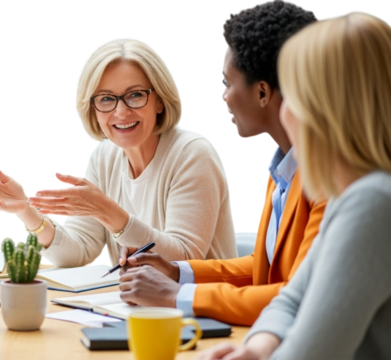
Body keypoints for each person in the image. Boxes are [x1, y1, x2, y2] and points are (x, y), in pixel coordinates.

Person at [117, 0, 325, 326]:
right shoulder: (282, 168)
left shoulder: (330, 179)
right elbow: (263, 267)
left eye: (228, 83)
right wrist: (176, 272)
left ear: (262, 93)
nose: (224, 96)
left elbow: (298, 297)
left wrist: (176, 296)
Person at [199, 9, 391, 360]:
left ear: (328, 108)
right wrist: (257, 349)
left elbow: (310, 353)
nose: (283, 111)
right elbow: (291, 299)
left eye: (294, 96)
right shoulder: (353, 193)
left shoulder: (373, 203)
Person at [0, 36, 237, 267]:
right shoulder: (104, 157)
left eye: (135, 95)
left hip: (201, 315)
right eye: (106, 99)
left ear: (160, 101)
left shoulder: (192, 153)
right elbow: (77, 252)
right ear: (92, 107)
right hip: (136, 310)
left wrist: (108, 212)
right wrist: (25, 211)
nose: (121, 111)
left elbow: (183, 260)